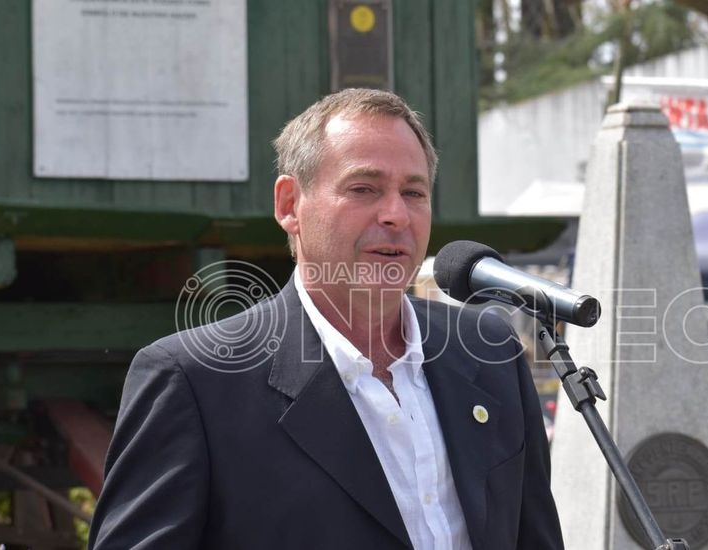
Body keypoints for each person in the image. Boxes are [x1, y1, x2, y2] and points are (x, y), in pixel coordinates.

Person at [88, 88, 563, 549]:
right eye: (363, 188)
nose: (396, 214)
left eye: (414, 192)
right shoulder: (195, 381)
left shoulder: (489, 350)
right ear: (289, 205)